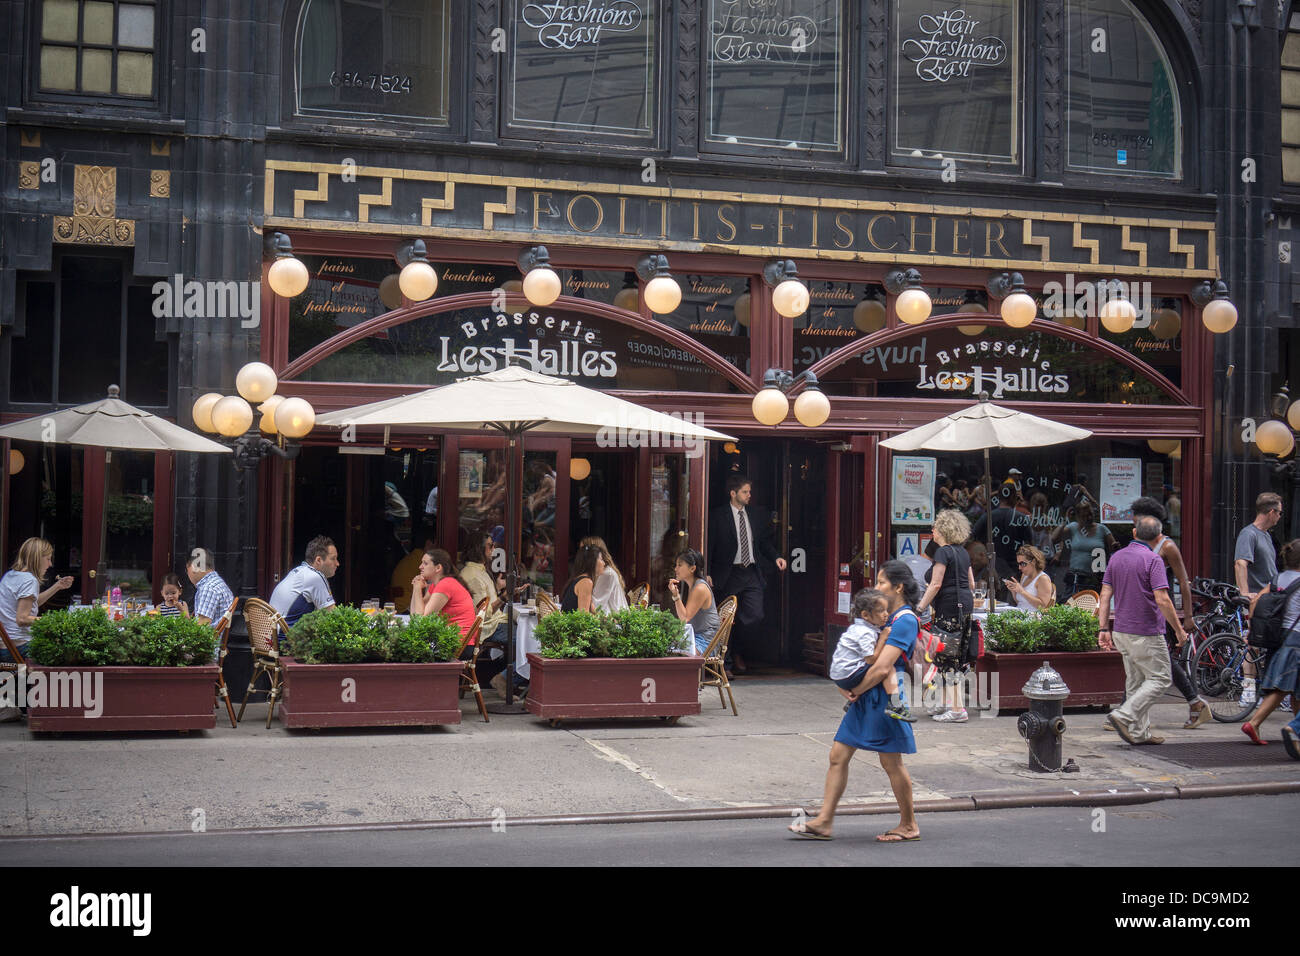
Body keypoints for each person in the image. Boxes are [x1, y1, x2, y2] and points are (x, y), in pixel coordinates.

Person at [789, 560, 919, 842]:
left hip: (883, 699)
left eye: (882, 583)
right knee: (838, 755)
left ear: (898, 587)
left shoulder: (905, 620)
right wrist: (846, 686)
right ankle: (824, 821)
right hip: (867, 696)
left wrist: (855, 689)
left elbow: (883, 666)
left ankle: (909, 824)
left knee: (891, 763)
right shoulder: (884, 618)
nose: (876, 587)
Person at [1099, 515, 1187, 745]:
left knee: (1136, 681)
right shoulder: (1153, 560)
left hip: (1121, 630)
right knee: (1160, 678)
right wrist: (1178, 630)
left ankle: (1140, 733)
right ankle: (1124, 715)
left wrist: (1103, 628)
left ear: (1134, 533)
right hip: (1146, 631)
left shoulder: (1116, 558)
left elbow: (1105, 595)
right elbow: (1163, 599)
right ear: (1159, 537)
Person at [1130, 496, 1207, 729]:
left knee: (1163, 660)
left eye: (1135, 516)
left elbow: (1184, 582)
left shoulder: (1167, 546)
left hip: (1161, 609)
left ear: (1147, 519)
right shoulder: (1140, 542)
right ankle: (1129, 711)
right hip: (1144, 609)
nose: (1132, 521)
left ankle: (1195, 703)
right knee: (1141, 661)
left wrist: (1189, 615)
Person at [707, 474, 787, 673]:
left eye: (749, 491)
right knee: (725, 619)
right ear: (733, 493)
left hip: (751, 572)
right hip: (728, 573)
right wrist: (707, 571)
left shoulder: (757, 514)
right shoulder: (717, 516)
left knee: (754, 616)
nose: (749, 495)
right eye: (745, 492)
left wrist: (776, 556)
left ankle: (738, 651)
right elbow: (709, 544)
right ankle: (725, 663)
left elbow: (763, 542)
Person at [914, 509, 977, 722]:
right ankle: (944, 703)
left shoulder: (943, 552)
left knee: (946, 657)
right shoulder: (963, 552)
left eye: (935, 526)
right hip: (963, 609)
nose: (933, 530)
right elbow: (972, 584)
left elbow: (936, 583)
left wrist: (920, 608)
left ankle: (957, 710)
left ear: (943, 530)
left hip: (948, 610)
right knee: (949, 656)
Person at [1242, 538, 1300, 753]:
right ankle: (1254, 723)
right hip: (1296, 639)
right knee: (1283, 686)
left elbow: (1256, 600)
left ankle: (1295, 732)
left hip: (1277, 636)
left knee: (1293, 688)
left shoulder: (1278, 578)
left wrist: (1252, 628)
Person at [830, 588, 913, 722]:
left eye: (887, 610)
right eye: (881, 611)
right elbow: (870, 659)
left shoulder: (857, 628)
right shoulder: (865, 632)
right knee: (886, 666)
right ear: (865, 615)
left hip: (840, 673)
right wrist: (883, 638)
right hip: (848, 674)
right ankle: (895, 703)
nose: (886, 614)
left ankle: (853, 700)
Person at [1234, 492, 1283, 708]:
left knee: (1269, 644)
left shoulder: (1266, 535)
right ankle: (1248, 691)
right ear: (1271, 512)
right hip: (1256, 600)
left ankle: (1271, 692)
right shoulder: (1249, 534)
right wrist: (1245, 594)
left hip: (1270, 599)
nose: (1280, 517)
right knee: (1252, 644)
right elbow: (1240, 563)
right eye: (1279, 513)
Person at [0, 538, 73, 660]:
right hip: (18, 648)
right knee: (70, 649)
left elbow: (31, 604)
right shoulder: (29, 580)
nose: (50, 564)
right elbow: (22, 619)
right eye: (48, 559)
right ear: (37, 558)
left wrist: (57, 586)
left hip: (5, 646)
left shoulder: (11, 575)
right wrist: (55, 621)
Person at [971, 485, 1031, 598]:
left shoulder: (987, 516)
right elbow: (1030, 547)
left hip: (991, 569)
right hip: (1015, 570)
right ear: (1014, 497)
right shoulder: (1021, 518)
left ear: (998, 497)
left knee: (989, 602)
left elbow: (973, 537)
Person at [1051, 500, 1116, 600]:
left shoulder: (1102, 529)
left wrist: (1114, 548)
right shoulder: (1073, 527)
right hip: (1075, 578)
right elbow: (1054, 538)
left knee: (1093, 607)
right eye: (1084, 516)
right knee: (1068, 604)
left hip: (1094, 578)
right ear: (1078, 516)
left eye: (1090, 514)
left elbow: (1114, 549)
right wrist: (1066, 520)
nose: (1088, 518)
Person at [269, 536, 339, 627]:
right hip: (288, 639)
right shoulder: (315, 577)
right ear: (318, 560)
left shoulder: (298, 571)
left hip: (270, 636)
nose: (337, 563)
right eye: (333, 558)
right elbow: (334, 616)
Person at [410, 548, 477, 641]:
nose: (420, 567)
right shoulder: (437, 584)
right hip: (452, 640)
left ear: (438, 568)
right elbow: (415, 616)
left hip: (458, 644)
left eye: (425, 563)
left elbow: (420, 620)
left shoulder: (446, 584)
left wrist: (417, 589)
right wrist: (415, 587)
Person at [668, 549, 719, 655]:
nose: (676, 569)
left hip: (705, 642)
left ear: (692, 568)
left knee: (667, 650)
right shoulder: (693, 586)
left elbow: (684, 618)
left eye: (680, 565)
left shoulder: (700, 588)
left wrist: (676, 596)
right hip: (695, 637)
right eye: (676, 565)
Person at [186, 548, 235, 628]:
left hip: (209, 640)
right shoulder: (217, 583)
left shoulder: (208, 589)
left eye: (187, 570)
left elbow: (201, 629)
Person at [580, 535, 629, 614]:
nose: (581, 555)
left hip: (614, 622)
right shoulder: (598, 573)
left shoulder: (606, 574)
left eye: (584, 551)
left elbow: (597, 606)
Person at [1006, 545, 1055, 611]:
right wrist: (1014, 591)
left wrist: (1022, 591)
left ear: (1033, 562)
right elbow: (1021, 602)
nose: (1019, 568)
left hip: (1033, 618)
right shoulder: (1024, 575)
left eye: (1022, 564)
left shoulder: (1043, 579)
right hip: (1019, 614)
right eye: (1018, 564)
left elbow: (1043, 606)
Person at [559, 545, 604, 613]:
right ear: (593, 562)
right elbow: (583, 616)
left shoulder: (579, 579)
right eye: (601, 559)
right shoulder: (586, 582)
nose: (604, 563)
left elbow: (593, 612)